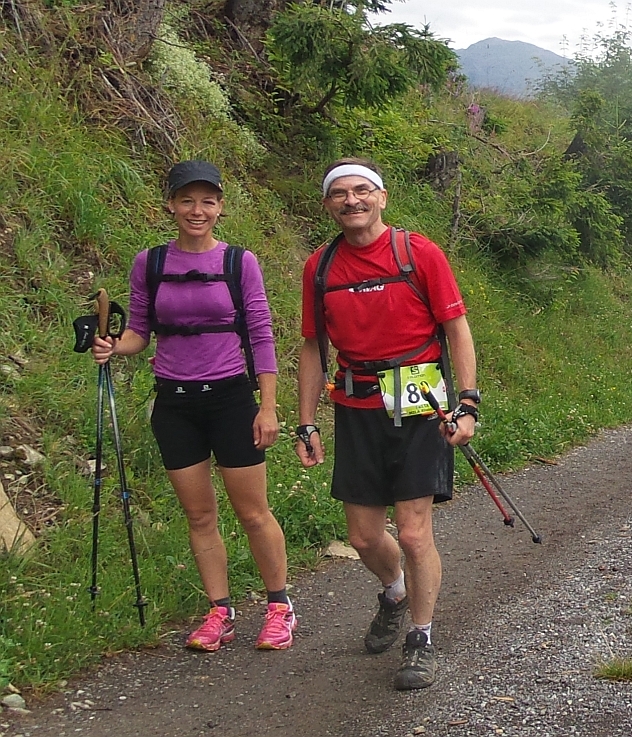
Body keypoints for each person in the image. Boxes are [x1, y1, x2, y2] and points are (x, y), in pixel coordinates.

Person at [91, 160, 295, 651]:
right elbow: (139, 331)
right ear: (170, 205)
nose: (196, 210)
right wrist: (112, 346)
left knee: (253, 513)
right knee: (200, 516)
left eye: (207, 201)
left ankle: (279, 608)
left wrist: (267, 408)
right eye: (187, 200)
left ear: (220, 207)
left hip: (230, 400)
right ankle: (219, 612)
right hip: (174, 404)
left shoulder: (238, 262)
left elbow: (262, 336)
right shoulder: (151, 263)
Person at [295, 158, 479, 691]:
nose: (351, 201)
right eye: (339, 195)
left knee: (416, 533)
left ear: (382, 196)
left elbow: (456, 328)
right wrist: (306, 422)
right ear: (328, 205)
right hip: (356, 407)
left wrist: (467, 402)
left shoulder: (419, 253)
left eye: (362, 191)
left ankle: (420, 637)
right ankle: (394, 591)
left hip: (421, 400)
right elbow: (313, 345)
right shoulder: (320, 268)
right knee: (364, 536)